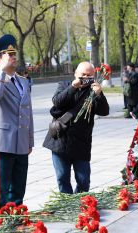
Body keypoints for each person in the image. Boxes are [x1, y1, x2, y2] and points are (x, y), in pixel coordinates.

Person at [0, 34, 34, 212]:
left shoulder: (23, 81)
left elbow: (28, 112)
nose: (13, 57)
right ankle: (2, 223)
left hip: (21, 142)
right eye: (8, 54)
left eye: (14, 54)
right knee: (2, 189)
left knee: (19, 187)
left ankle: (17, 219)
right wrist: (2, 72)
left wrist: (30, 140)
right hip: (3, 143)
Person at [43, 61, 109, 194]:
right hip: (61, 140)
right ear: (75, 74)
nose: (85, 78)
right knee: (62, 178)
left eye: (89, 75)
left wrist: (99, 95)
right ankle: (67, 203)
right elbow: (57, 102)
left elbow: (104, 111)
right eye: (82, 75)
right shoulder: (64, 85)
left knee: (84, 180)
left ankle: (80, 202)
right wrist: (73, 87)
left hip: (81, 143)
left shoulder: (93, 91)